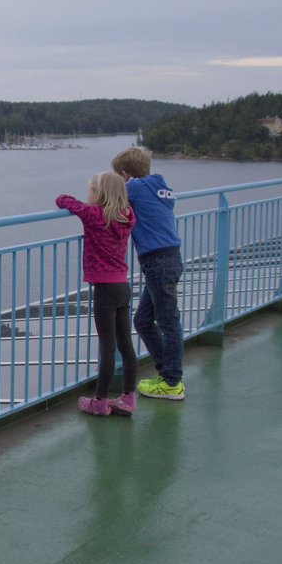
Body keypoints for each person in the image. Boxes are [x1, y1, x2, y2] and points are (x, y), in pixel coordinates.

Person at [56, 172, 138, 416]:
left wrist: (79, 201)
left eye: (91, 191)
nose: (87, 196)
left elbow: (63, 200)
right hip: (123, 286)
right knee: (125, 343)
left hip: (104, 289)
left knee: (107, 346)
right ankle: (128, 398)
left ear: (98, 195)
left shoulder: (94, 215)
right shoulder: (127, 216)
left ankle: (100, 401)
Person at [111, 146, 186, 400]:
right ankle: (167, 373)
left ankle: (172, 382)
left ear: (125, 174)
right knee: (143, 320)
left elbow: (108, 201)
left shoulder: (135, 187)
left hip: (157, 262)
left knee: (168, 323)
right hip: (169, 257)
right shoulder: (160, 186)